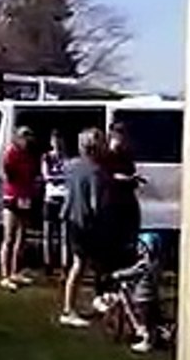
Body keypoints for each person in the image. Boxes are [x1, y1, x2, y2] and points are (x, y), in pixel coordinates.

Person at [59, 128, 108, 328]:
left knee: (86, 263)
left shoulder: (70, 166)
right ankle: (68, 310)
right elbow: (96, 203)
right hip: (85, 221)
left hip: (70, 217)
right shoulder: (96, 171)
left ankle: (97, 300)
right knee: (79, 265)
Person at [93, 122, 142, 312]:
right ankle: (100, 292)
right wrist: (122, 178)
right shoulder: (105, 156)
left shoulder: (127, 156)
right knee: (105, 253)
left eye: (124, 135)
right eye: (118, 135)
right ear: (112, 136)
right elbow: (105, 177)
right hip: (109, 207)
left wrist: (133, 180)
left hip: (127, 206)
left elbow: (130, 176)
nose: (122, 139)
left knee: (125, 252)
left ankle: (117, 291)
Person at [0, 126, 39, 292]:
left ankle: (16, 271)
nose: (26, 140)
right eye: (23, 136)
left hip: (26, 196)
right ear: (17, 137)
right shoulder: (11, 153)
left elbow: (32, 174)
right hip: (12, 196)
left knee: (22, 236)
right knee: (9, 237)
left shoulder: (29, 155)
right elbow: (9, 174)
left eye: (28, 137)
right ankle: (5, 275)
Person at [41, 130, 69, 275]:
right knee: (48, 234)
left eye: (59, 139)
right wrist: (60, 177)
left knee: (64, 235)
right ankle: (48, 264)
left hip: (64, 198)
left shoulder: (68, 158)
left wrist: (58, 177)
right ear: (51, 142)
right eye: (54, 140)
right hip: (50, 198)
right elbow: (46, 176)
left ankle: (64, 265)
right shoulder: (46, 157)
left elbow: (69, 176)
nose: (57, 142)